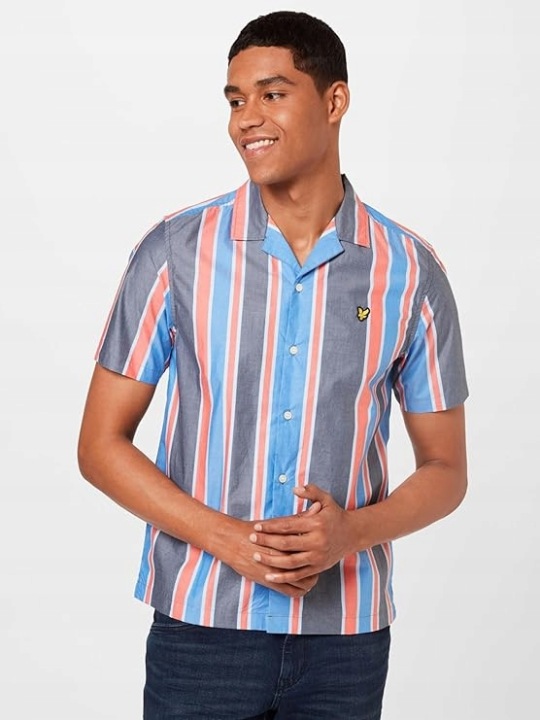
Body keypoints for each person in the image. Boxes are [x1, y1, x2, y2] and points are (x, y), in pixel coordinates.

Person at [78, 10, 468, 719]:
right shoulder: (175, 252)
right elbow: (99, 446)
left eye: (272, 93)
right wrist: (230, 540)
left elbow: (446, 470)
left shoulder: (410, 272)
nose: (246, 119)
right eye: (235, 100)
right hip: (201, 630)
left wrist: (350, 533)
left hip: (346, 643)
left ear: (334, 100)